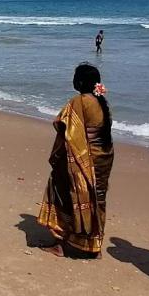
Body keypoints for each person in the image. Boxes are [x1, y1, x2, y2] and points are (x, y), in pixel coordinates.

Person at [36, 63, 115, 258]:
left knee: (64, 193)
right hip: (103, 159)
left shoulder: (78, 102)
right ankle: (93, 247)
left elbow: (63, 126)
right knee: (96, 200)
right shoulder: (102, 103)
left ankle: (59, 244)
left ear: (80, 82)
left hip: (83, 158)